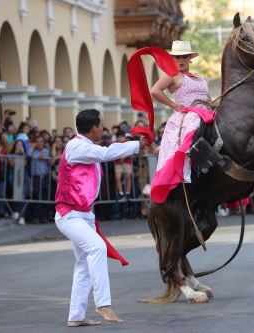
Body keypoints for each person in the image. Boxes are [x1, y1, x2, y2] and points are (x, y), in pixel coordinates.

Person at [54, 109, 146, 327]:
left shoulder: (86, 148)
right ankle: (103, 303)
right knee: (97, 248)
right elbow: (106, 153)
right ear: (94, 127)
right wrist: (136, 145)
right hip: (69, 215)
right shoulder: (76, 147)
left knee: (84, 265)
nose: (103, 129)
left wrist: (140, 145)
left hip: (83, 215)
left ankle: (76, 316)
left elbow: (104, 152)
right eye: (101, 125)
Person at [149, 40, 215, 203]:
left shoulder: (200, 78)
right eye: (177, 57)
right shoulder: (171, 75)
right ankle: (185, 167)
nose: (181, 60)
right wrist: (174, 105)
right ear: (173, 59)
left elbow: (209, 99)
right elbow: (154, 91)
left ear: (189, 58)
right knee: (193, 122)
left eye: (184, 56)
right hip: (188, 114)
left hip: (206, 111)